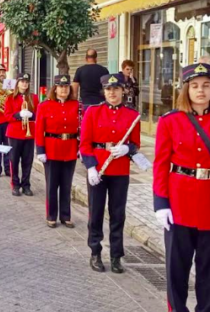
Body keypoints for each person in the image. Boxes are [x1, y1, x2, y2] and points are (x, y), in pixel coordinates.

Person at [153, 63, 210, 312]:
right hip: (180, 205)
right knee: (176, 269)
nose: (200, 90)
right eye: (194, 86)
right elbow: (160, 165)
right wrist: (160, 203)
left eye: (206, 85)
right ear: (186, 90)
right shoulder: (170, 121)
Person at [80, 73, 140, 274]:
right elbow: (85, 144)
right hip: (98, 168)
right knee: (95, 212)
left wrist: (127, 149)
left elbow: (136, 144)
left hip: (120, 169)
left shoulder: (132, 115)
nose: (112, 93)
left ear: (123, 90)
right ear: (103, 91)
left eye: (116, 89)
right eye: (108, 89)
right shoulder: (92, 112)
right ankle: (95, 251)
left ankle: (116, 256)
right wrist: (90, 167)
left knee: (118, 214)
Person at [35, 75, 80, 228]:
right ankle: (51, 215)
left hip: (70, 148)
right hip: (52, 149)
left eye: (66, 87)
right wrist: (40, 150)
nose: (63, 89)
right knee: (52, 185)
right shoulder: (45, 106)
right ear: (55, 88)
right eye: (60, 87)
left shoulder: (76, 105)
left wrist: (80, 148)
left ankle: (66, 216)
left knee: (67, 185)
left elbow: (82, 129)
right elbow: (39, 129)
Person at [4, 73, 39, 196]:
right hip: (14, 133)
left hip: (29, 134)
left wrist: (31, 115)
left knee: (27, 161)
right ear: (17, 83)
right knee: (14, 161)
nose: (24, 84)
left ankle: (26, 185)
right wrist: (18, 115)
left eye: (26, 81)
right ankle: (15, 185)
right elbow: (7, 116)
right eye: (22, 81)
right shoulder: (10, 98)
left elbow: (39, 115)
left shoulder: (33, 97)